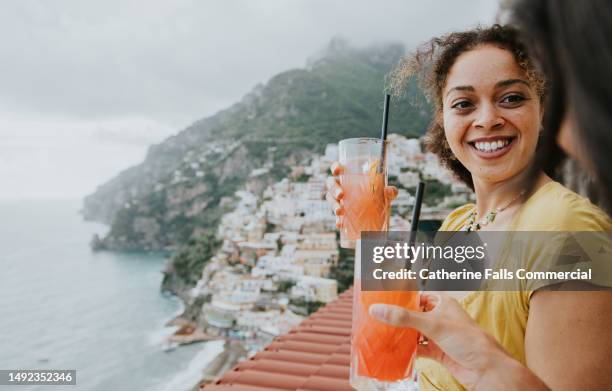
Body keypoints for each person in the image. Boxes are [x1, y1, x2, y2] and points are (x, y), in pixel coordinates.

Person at [326, 24, 612, 390]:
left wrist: (489, 365)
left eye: (511, 98)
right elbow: (403, 322)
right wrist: (370, 231)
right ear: (443, 121)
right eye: (463, 103)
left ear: (543, 112)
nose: (487, 119)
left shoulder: (572, 230)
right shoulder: (462, 222)